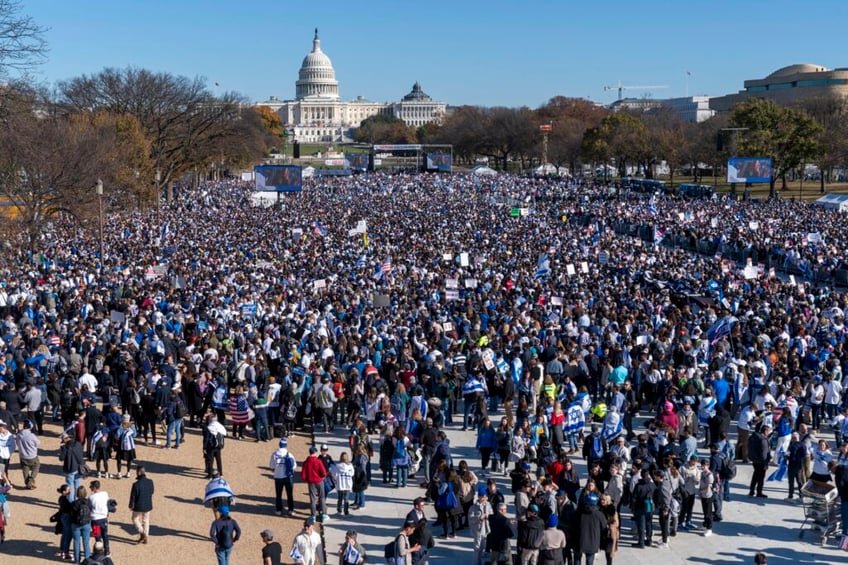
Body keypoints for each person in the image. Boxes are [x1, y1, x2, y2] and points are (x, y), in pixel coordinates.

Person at [270, 437, 297, 516]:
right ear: (286, 445)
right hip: (288, 477)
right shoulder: (289, 454)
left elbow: (271, 466)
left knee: (278, 494)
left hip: (278, 476)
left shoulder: (274, 454)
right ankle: (291, 510)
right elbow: (294, 465)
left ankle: (279, 510)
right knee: (290, 494)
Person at [578, 493, 608, 565]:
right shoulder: (599, 514)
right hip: (594, 541)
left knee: (577, 558)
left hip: (581, 540)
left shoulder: (580, 513)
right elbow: (604, 526)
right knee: (590, 560)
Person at [301, 445, 328, 521]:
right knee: (322, 497)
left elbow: (303, 475)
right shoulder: (318, 461)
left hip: (311, 482)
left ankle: (313, 515)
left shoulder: (306, 462)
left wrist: (307, 479)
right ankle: (324, 514)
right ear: (315, 452)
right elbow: (323, 473)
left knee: (312, 499)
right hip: (319, 481)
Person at [128, 464, 154, 544]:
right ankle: (146, 537)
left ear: (139, 472)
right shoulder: (150, 482)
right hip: (148, 504)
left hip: (138, 505)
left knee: (135, 519)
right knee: (146, 521)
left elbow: (133, 496)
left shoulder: (136, 484)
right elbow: (152, 492)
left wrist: (131, 505)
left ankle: (142, 533)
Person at [468, 485, 492, 565]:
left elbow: (492, 513)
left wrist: (489, 516)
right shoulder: (473, 508)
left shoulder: (488, 505)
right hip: (478, 530)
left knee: (482, 548)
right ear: (479, 497)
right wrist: (479, 518)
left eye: (485, 496)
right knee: (477, 549)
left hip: (486, 530)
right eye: (482, 497)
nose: (484, 498)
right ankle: (476, 563)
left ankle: (480, 562)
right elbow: (471, 519)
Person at [59, 432, 85, 502]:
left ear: (65, 439)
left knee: (70, 486)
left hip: (70, 469)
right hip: (79, 468)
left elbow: (61, 458)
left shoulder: (65, 447)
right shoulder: (78, 444)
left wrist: (62, 450)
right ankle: (77, 501)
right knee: (77, 485)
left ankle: (71, 502)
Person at [89, 480, 111, 557]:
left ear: (94, 488)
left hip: (95, 520)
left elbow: (90, 508)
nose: (90, 488)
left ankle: (99, 552)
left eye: (91, 487)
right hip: (104, 518)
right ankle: (107, 551)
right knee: (105, 535)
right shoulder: (105, 494)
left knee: (97, 536)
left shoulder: (91, 497)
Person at [747, 424, 771, 498]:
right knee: (760, 478)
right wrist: (765, 463)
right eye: (769, 431)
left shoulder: (754, 437)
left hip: (754, 460)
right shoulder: (763, 440)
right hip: (761, 462)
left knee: (755, 476)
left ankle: (751, 491)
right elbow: (764, 453)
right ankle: (759, 492)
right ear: (766, 431)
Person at [16, 418, 40, 489]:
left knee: (25, 469)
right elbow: (38, 443)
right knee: (36, 467)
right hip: (32, 456)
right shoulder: (31, 435)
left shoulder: (19, 435)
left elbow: (17, 443)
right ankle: (31, 480)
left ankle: (28, 484)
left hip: (23, 456)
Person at [71, 485, 93, 564]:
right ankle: (87, 560)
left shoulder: (74, 503)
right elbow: (91, 510)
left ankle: (77, 560)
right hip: (86, 523)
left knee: (76, 542)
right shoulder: (88, 502)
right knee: (86, 542)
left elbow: (72, 514)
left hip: (76, 524)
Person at [203, 414, 227, 479]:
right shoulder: (220, 426)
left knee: (210, 460)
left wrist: (204, 447)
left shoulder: (209, 427)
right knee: (218, 459)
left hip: (210, 447)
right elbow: (224, 435)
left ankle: (210, 475)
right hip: (218, 446)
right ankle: (221, 473)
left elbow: (206, 439)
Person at [56, 483, 74, 561]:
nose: (69, 491)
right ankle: (65, 553)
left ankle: (62, 549)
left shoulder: (61, 498)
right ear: (64, 492)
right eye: (68, 490)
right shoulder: (65, 500)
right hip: (67, 518)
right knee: (68, 536)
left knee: (64, 534)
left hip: (63, 517)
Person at [698, 458, 715, 537]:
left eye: (704, 466)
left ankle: (709, 528)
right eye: (702, 465)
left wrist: (702, 491)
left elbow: (709, 487)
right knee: (705, 512)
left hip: (708, 496)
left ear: (708, 466)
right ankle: (705, 525)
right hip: (703, 495)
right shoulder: (703, 473)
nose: (702, 467)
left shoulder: (710, 475)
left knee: (708, 513)